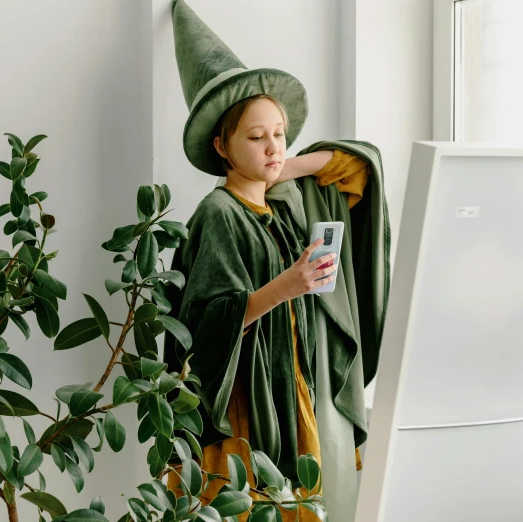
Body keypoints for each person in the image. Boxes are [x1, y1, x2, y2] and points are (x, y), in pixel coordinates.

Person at [163, 2, 391, 521]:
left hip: (292, 391)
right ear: (222, 145)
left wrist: (288, 165)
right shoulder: (218, 213)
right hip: (246, 405)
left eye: (279, 134)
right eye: (255, 136)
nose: (271, 147)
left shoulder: (283, 203)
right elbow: (203, 324)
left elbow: (357, 165)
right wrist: (287, 285)